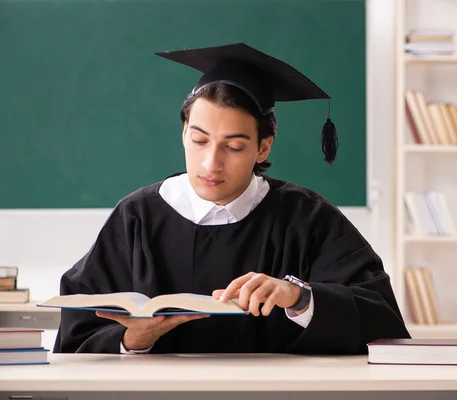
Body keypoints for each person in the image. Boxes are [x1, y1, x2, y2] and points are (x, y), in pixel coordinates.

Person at [53, 42, 411, 355]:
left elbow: (382, 321)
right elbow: (76, 337)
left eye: (234, 146)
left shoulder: (308, 219)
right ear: (183, 133)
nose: (211, 163)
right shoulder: (138, 217)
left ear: (263, 147)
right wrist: (132, 339)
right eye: (199, 140)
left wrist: (298, 297)